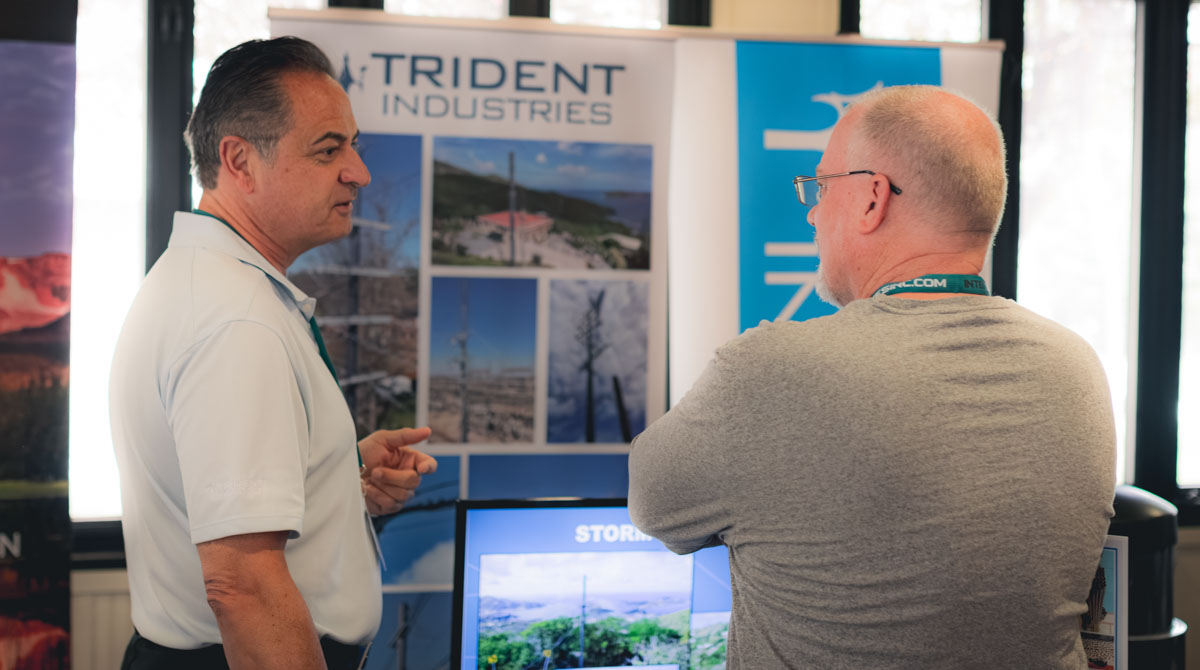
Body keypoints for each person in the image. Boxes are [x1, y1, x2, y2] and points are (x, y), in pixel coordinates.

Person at [628, 85, 1116, 669]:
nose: (812, 213)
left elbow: (653, 507)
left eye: (821, 187)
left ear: (871, 198)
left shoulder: (772, 371)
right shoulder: (1077, 365)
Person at [109, 37, 435, 670]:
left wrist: (335, 474)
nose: (359, 172)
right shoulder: (235, 319)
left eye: (353, 146)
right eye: (328, 149)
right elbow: (242, 586)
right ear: (240, 161)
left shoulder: (212, 285)